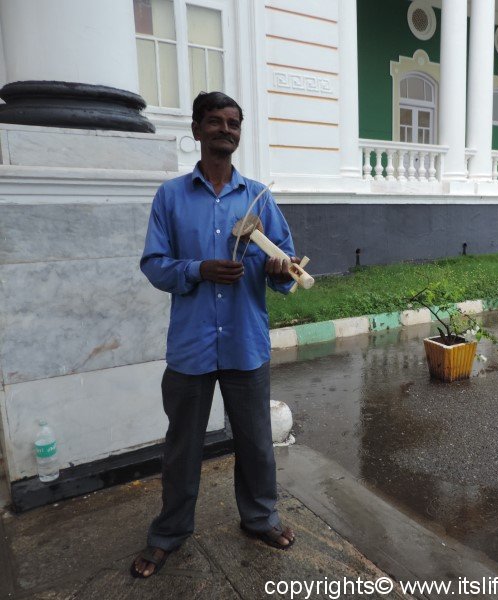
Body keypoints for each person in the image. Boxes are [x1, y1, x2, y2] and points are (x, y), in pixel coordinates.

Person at [132, 91, 298, 578]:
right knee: (182, 446)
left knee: (256, 442)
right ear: (196, 129)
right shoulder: (171, 197)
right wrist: (199, 269)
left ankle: (260, 518)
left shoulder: (259, 198)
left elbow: (287, 269)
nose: (225, 129)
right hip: (192, 344)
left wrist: (279, 269)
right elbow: (154, 265)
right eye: (215, 121)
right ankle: (169, 533)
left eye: (233, 122)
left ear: (239, 132)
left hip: (245, 341)